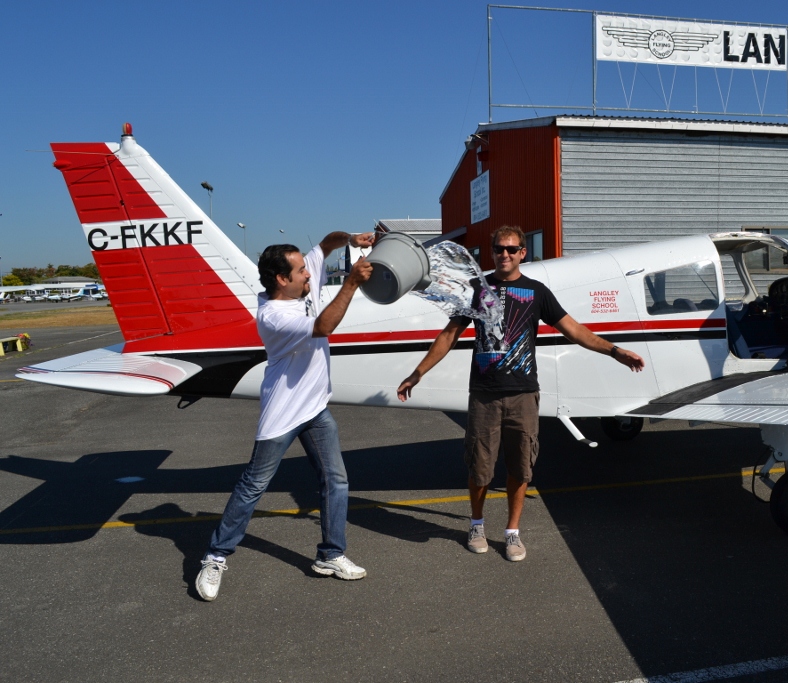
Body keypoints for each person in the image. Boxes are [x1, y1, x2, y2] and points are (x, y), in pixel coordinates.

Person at [397, 225, 644, 561]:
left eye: (512, 249)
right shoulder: (476, 289)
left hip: (524, 394)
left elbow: (573, 330)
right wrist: (418, 373)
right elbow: (449, 335)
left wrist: (615, 351)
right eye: (499, 249)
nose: (505, 254)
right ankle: (477, 524)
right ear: (492, 252)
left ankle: (512, 532)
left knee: (521, 467)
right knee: (480, 468)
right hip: (484, 393)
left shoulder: (537, 292)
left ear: (522, 253)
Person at [195, 231, 375, 601]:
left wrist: (350, 238)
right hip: (283, 413)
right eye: (301, 271)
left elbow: (325, 245)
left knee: (336, 481)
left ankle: (330, 555)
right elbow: (323, 327)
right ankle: (216, 556)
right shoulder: (274, 316)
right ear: (281, 279)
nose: (309, 274)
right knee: (253, 486)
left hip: (316, 409)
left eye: (307, 269)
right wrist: (352, 282)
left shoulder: (300, 286)